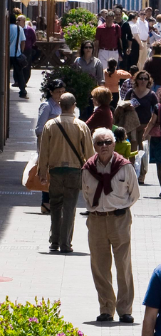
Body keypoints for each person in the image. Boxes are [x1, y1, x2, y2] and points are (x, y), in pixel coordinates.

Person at [82, 128, 140, 322]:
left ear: (114, 144)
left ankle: (125, 310)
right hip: (96, 220)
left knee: (123, 264)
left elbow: (135, 194)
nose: (104, 146)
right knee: (99, 265)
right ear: (94, 146)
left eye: (107, 142)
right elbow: (86, 195)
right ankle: (106, 308)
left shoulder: (125, 167)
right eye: (99, 143)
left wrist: (120, 208)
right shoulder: (88, 168)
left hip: (119, 219)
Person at [38, 93, 94, 254]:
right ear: (74, 105)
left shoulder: (50, 125)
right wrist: (91, 173)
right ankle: (65, 243)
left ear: (60, 104)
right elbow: (89, 153)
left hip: (55, 171)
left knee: (55, 206)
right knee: (69, 207)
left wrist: (42, 172)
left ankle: (54, 241)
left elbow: (44, 152)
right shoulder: (81, 126)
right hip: (74, 171)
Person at [35, 79, 67, 213]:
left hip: (60, 145)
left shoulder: (62, 105)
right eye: (57, 92)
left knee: (55, 174)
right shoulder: (47, 106)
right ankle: (46, 202)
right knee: (47, 173)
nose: (60, 95)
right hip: (48, 144)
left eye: (62, 92)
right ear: (51, 92)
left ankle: (52, 201)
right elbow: (39, 129)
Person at [9, 14, 29, 98]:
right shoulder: (19, 28)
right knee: (20, 74)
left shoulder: (5, 28)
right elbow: (23, 42)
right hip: (16, 54)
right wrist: (21, 51)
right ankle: (23, 92)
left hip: (6, 55)